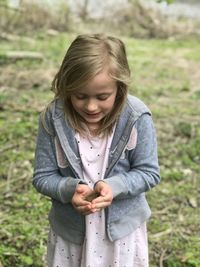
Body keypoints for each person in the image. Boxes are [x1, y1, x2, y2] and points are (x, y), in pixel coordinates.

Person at [32, 33, 160, 267]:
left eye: (102, 97)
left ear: (119, 88)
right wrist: (69, 189)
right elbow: (42, 176)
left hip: (121, 236)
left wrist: (116, 186)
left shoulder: (136, 116)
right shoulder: (54, 117)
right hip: (72, 235)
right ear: (66, 86)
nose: (91, 106)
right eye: (80, 96)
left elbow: (149, 172)